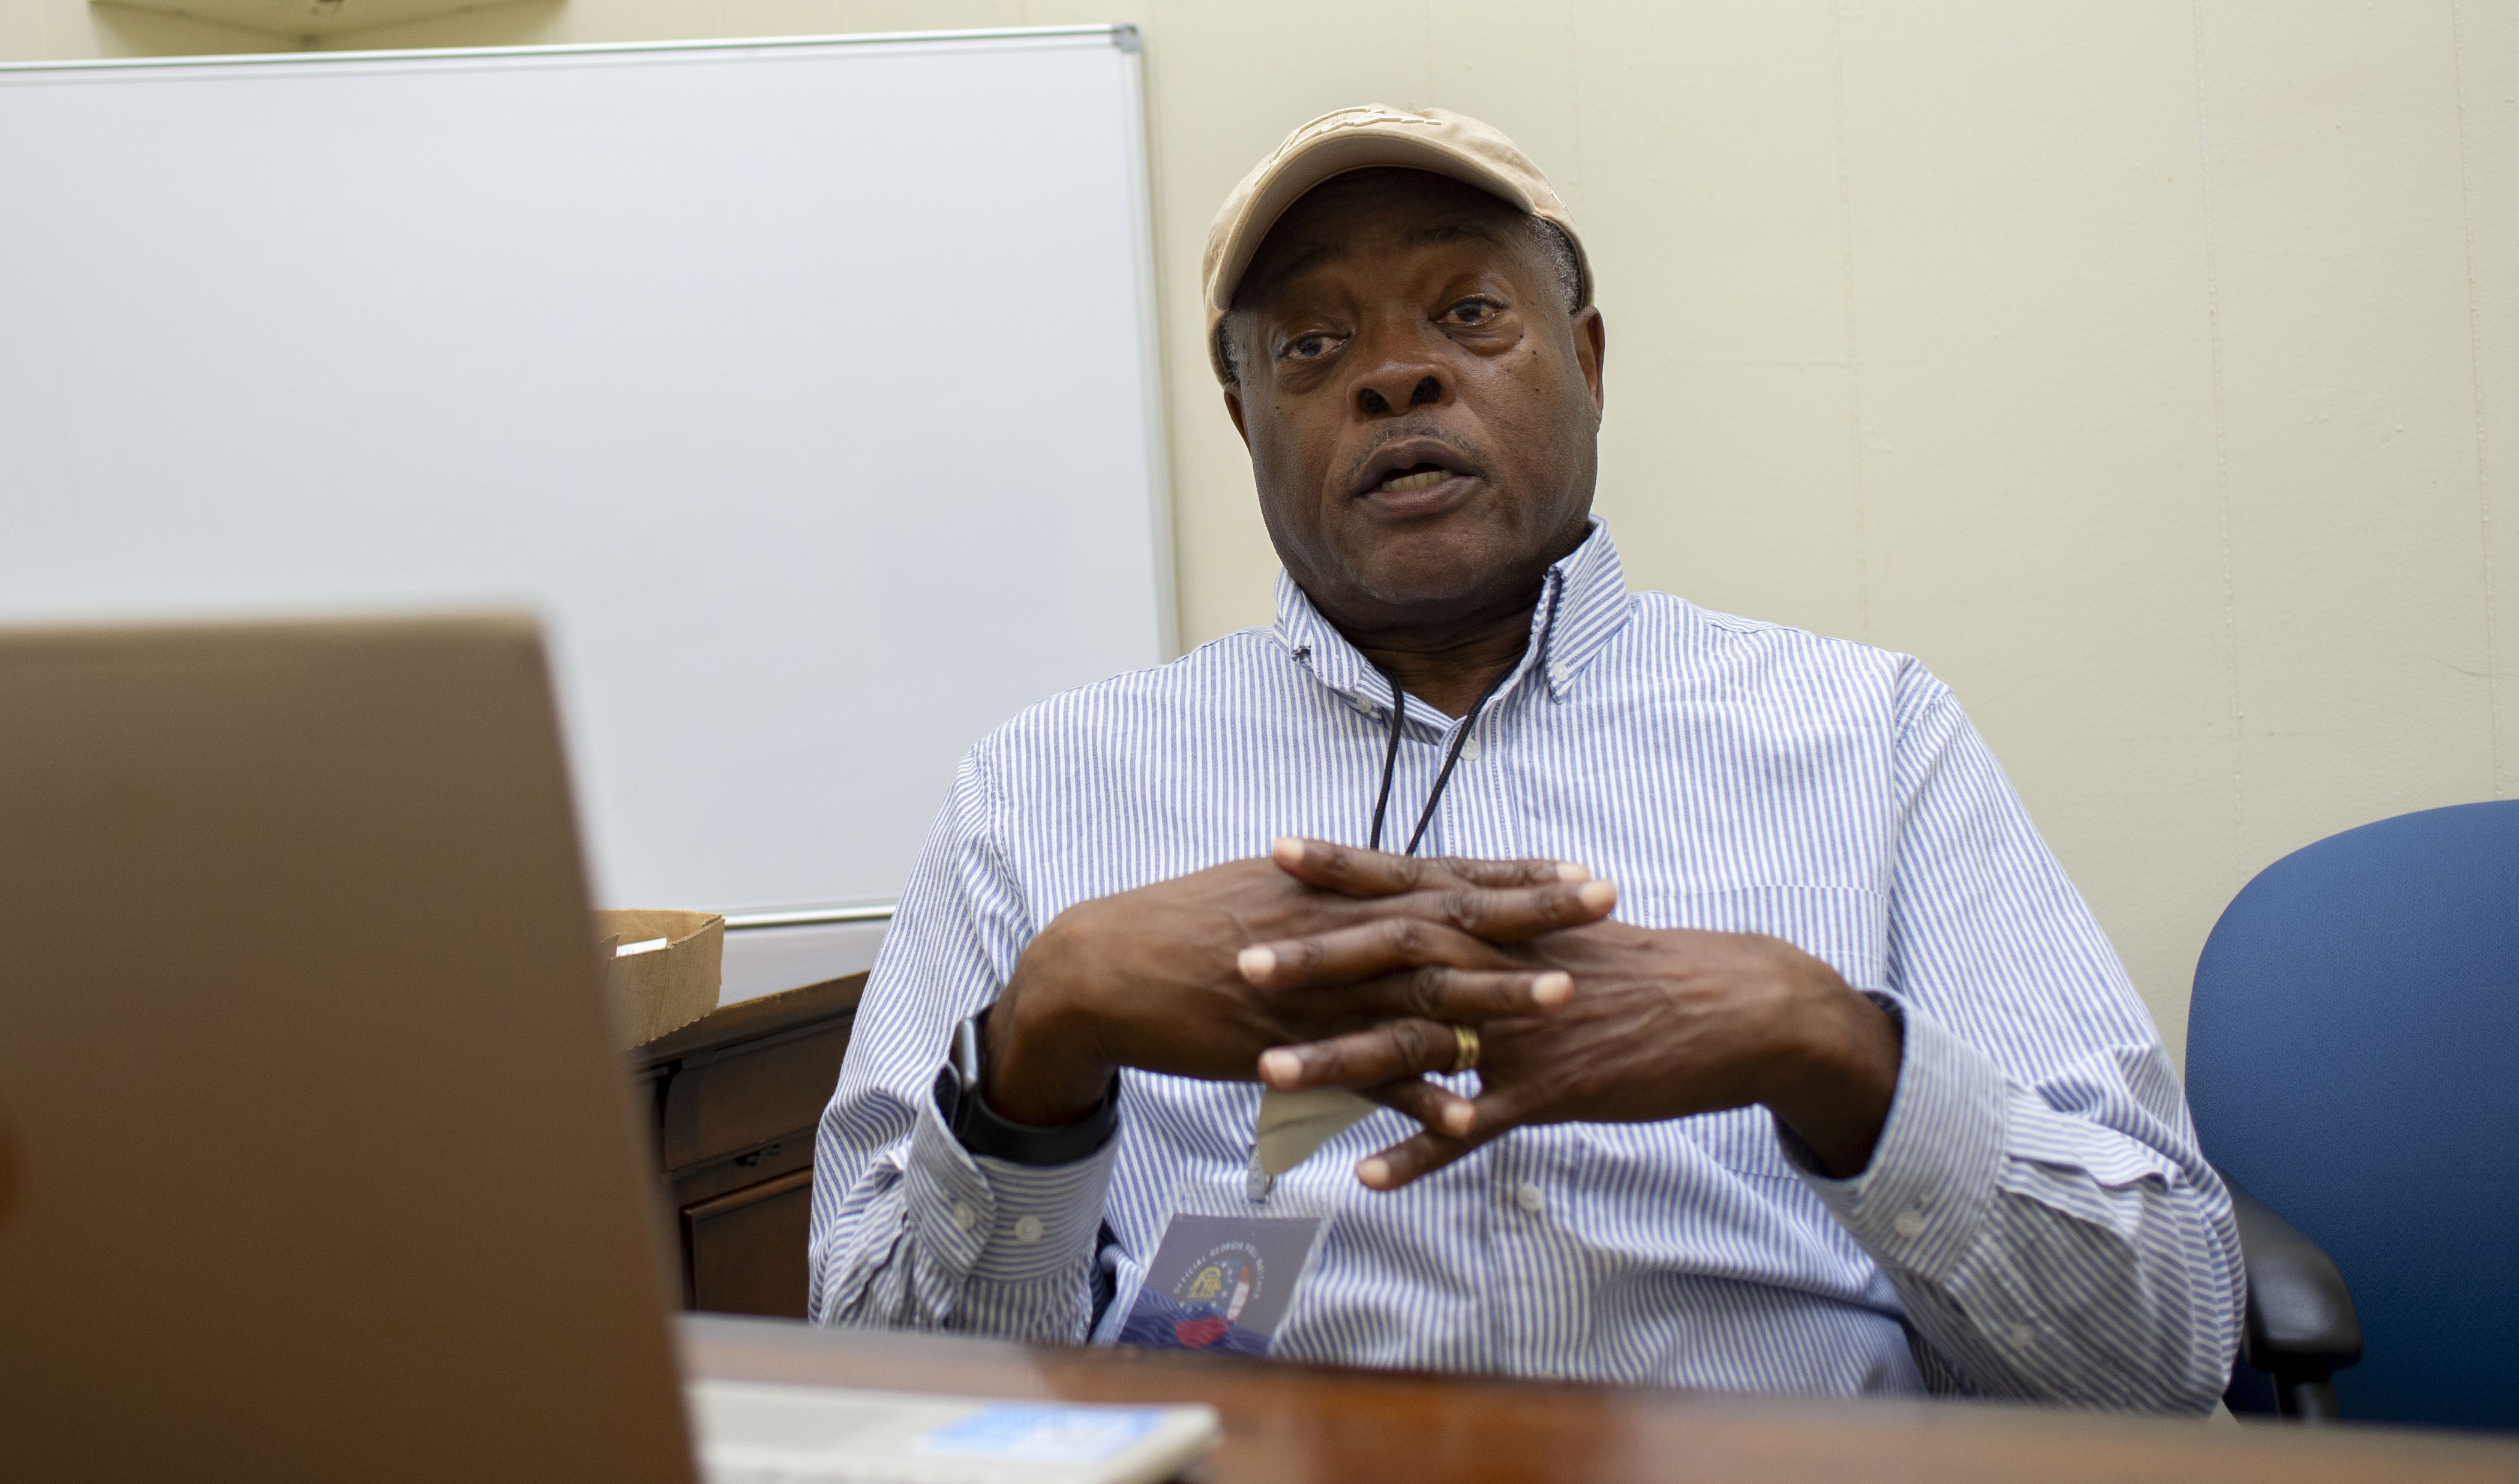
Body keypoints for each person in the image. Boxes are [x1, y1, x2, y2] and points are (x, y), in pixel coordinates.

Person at [808, 106, 2241, 1408]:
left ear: (1588, 362)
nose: (1396, 374)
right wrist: (1035, 1052)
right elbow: (881, 1409)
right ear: (1248, 420)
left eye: (1468, 310)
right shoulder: (1041, 790)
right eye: (1313, 345)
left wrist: (1832, 1050)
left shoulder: (1869, 738)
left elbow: (2168, 1344)